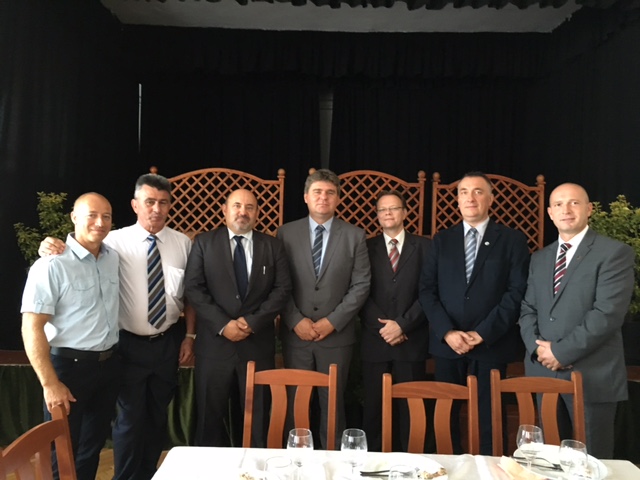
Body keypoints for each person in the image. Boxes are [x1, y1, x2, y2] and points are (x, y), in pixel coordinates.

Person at [39, 174, 195, 480]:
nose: (156, 209)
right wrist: (50, 244)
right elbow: (79, 249)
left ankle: (148, 475)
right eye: (149, 202)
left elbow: (190, 295)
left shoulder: (183, 243)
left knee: (157, 416)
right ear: (135, 205)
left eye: (163, 203)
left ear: (170, 206)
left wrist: (189, 335)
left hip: (167, 342)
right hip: (127, 344)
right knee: (129, 420)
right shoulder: (113, 241)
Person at [519, 183, 634, 459]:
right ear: (550, 213)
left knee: (591, 462)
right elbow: (528, 309)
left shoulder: (614, 253)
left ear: (589, 209)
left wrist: (561, 352)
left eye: (574, 202)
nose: (566, 210)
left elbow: (607, 314)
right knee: (548, 461)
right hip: (543, 374)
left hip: (592, 376)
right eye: (558, 204)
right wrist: (538, 350)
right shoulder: (540, 258)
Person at [419, 171, 530, 455]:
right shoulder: (441, 240)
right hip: (448, 345)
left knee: (489, 417)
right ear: (457, 200)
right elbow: (427, 290)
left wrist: (482, 333)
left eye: (478, 191)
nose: (470, 197)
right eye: (464, 192)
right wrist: (447, 332)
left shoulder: (512, 240)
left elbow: (516, 293)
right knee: (445, 417)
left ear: (491, 199)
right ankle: (449, 467)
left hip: (491, 343)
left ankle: (489, 468)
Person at [21, 193, 120, 480]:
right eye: (92, 215)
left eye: (106, 216)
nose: (100, 222)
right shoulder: (51, 264)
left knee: (92, 447)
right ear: (74, 217)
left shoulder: (112, 257)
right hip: (68, 369)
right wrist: (50, 383)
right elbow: (32, 327)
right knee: (61, 450)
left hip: (107, 367)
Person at [184, 188, 292, 447]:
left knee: (257, 420)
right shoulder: (204, 243)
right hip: (214, 346)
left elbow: (282, 289)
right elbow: (194, 288)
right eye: (237, 205)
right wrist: (223, 325)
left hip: (257, 346)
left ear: (257, 213)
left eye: (249, 207)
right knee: (209, 420)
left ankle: (255, 466)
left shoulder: (273, 246)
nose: (243, 212)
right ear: (224, 209)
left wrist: (252, 322)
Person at [277, 168, 371, 449]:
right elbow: (278, 283)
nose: (323, 197)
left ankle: (334, 460)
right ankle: (297, 460)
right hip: (297, 334)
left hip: (336, 336)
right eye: (317, 191)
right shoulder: (285, 233)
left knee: (333, 404)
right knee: (297, 401)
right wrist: (295, 320)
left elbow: (361, 285)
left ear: (338, 199)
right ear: (306, 197)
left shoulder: (355, 235)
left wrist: (332, 321)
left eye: (330, 192)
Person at [360, 190, 431, 452]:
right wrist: (384, 328)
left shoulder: (425, 247)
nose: (388, 213)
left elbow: (429, 292)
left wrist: (402, 324)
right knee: (374, 410)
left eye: (394, 208)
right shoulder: (365, 247)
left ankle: (411, 462)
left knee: (410, 411)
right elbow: (359, 291)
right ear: (377, 215)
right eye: (382, 209)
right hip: (375, 341)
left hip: (411, 340)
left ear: (405, 212)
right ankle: (372, 462)